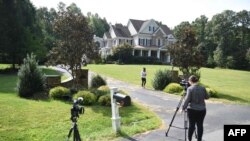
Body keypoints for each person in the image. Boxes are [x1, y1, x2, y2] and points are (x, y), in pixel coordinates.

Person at [182, 75, 209, 141]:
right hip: (202, 110)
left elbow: (187, 99)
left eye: (189, 81)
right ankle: (199, 139)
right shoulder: (203, 88)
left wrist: (183, 107)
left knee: (192, 125)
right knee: (200, 125)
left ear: (191, 81)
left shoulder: (190, 88)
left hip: (192, 110)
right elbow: (207, 97)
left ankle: (189, 139)